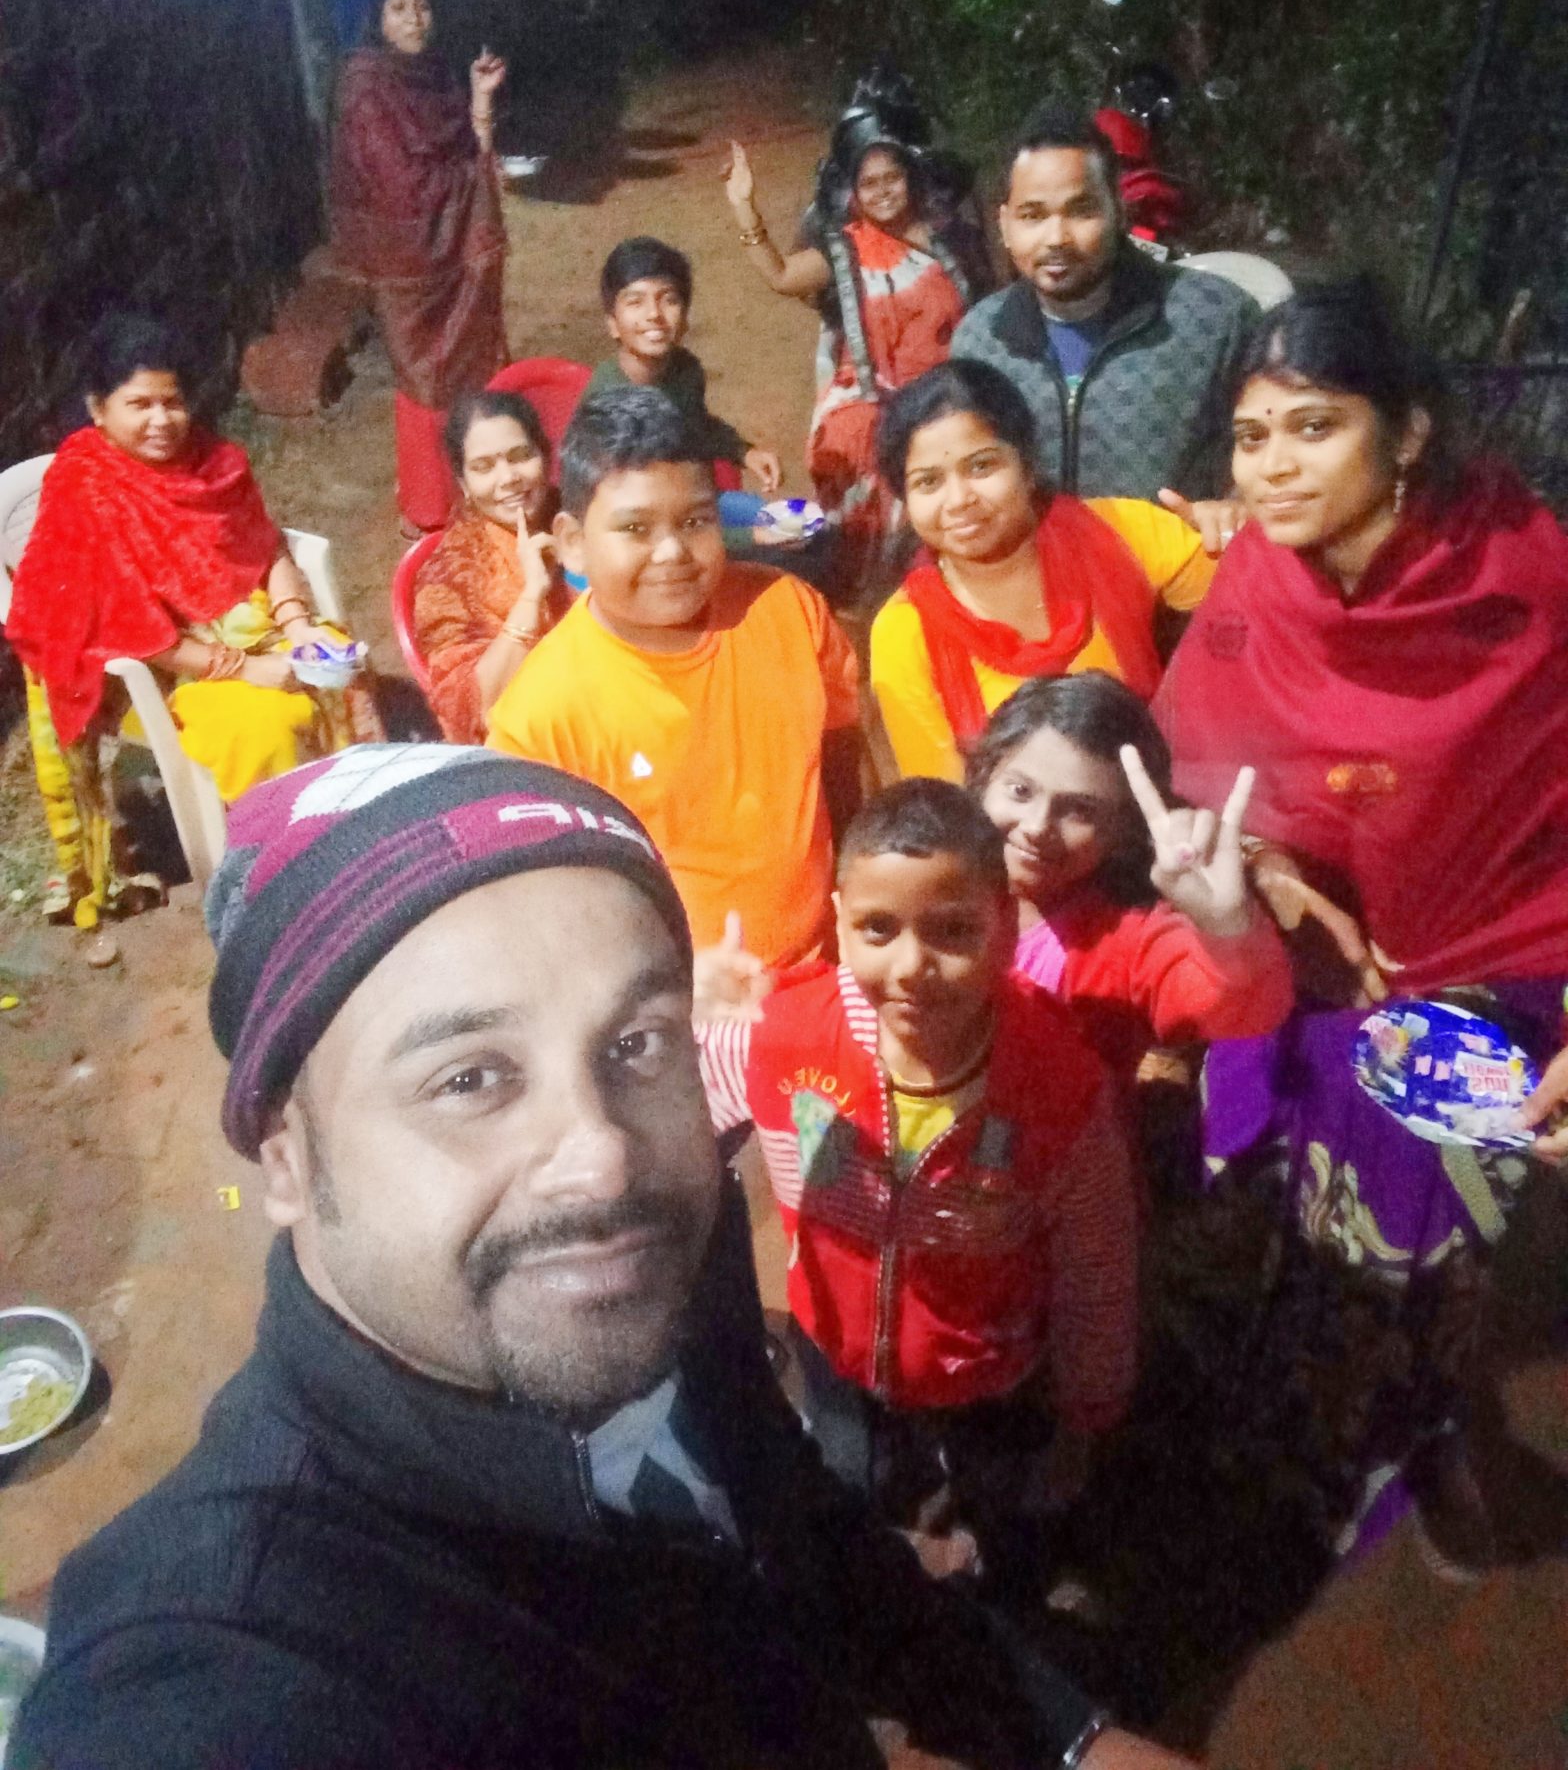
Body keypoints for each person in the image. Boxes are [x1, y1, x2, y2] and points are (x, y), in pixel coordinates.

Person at [13, 744, 1194, 1770]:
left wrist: (1065, 1736)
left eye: (637, 1045)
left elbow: (788, 1515)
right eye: (469, 1077)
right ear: (282, 1155)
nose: (605, 1160)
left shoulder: (669, 1263)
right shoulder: (234, 1646)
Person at [1156, 279, 1568, 1573]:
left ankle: (1423, 1438)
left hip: (1508, 962)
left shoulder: (1525, 583)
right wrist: (1276, 879)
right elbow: (1201, 774)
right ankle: (1324, 1429)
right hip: (1320, 963)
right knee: (1262, 1173)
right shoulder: (1256, 585)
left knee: (1422, 1228)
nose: (1272, 467)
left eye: (1313, 427)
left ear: (1407, 434)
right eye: (1250, 436)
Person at [696, 778, 1137, 1606]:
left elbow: (1097, 1265)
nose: (911, 969)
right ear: (838, 921)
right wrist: (677, 1001)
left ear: (1005, 924)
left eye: (952, 930)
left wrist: (1086, 1414)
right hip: (834, 1351)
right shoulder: (783, 1037)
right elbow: (675, 1097)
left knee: (1000, 1519)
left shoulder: (1058, 1087)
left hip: (989, 1376)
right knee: (855, 1501)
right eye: (878, 928)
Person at [4, 316, 379, 942]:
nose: (161, 421)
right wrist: (247, 668)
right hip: (158, 669)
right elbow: (126, 626)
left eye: (172, 401)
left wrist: (298, 625)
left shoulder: (215, 463)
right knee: (261, 727)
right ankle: (284, 886)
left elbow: (264, 548)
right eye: (139, 405)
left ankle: (358, 833)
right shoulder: (85, 487)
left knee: (343, 668)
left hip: (240, 629)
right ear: (98, 410)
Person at [485, 387, 863, 966]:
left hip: (827, 966)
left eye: (694, 521)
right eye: (636, 529)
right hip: (679, 1000)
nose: (672, 552)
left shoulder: (791, 611)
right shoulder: (540, 717)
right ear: (573, 544)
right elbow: (547, 911)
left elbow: (846, 767)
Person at [869, 361, 1217, 783]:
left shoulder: (1122, 534)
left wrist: (1241, 528)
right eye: (928, 482)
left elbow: (1257, 603)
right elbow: (947, 805)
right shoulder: (905, 632)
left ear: (1028, 465)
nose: (959, 500)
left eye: (981, 466)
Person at [965, 672, 1292, 1098]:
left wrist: (1227, 929)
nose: (1038, 826)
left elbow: (1242, 1012)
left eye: (1079, 811)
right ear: (984, 775)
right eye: (1021, 791)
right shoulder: (934, 874)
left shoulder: (1129, 940)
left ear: (1122, 831)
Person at [722, 70, 990, 589]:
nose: (883, 191)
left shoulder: (950, 240)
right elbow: (782, 276)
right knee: (861, 444)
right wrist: (744, 208)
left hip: (946, 393)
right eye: (869, 183)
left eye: (892, 178)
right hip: (870, 400)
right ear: (854, 191)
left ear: (911, 175)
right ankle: (872, 590)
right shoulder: (846, 248)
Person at [950, 102, 1256, 501]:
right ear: (1005, 225)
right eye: (1032, 215)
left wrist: (1235, 507)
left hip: (1171, 544)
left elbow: (1272, 458)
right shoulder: (979, 342)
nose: (1056, 238)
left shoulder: (1216, 320)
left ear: (1119, 210)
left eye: (1081, 211)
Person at [329, 0, 509, 536]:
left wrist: (481, 98)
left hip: (455, 255)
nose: (414, 19)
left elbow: (469, 148)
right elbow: (401, 187)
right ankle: (430, 508)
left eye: (423, 6)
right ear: (377, 18)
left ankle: (475, 490)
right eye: (399, 8)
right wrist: (475, 178)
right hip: (405, 262)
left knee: (470, 366)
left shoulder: (435, 75)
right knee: (425, 377)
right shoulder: (365, 87)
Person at [412, 391, 570, 743]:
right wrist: (532, 596)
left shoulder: (582, 517)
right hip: (528, 738)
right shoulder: (449, 575)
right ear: (464, 484)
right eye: (484, 467)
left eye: (520, 456)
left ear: (545, 457)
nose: (508, 478)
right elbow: (473, 710)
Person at [584, 236, 782, 503]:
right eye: (635, 302)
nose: (654, 314)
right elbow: (617, 501)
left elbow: (696, 426)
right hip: (641, 514)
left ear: (686, 317)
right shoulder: (609, 402)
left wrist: (744, 452)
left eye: (669, 300)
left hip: (692, 502)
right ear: (612, 324)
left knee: (766, 513)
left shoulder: (686, 370)